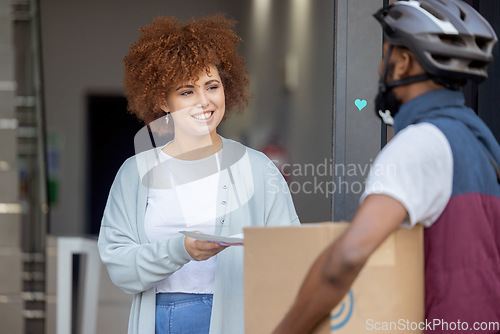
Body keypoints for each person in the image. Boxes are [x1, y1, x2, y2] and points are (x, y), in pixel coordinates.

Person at [273, 1, 500, 333]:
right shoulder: (484, 144)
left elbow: (347, 258)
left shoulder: (419, 144)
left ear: (403, 63)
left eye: (385, 56)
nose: (381, 69)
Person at [97, 15, 300, 334]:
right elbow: (120, 267)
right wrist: (182, 249)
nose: (204, 101)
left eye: (212, 86)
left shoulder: (258, 168)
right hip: (159, 320)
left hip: (237, 319)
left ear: (225, 89)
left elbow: (291, 257)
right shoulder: (135, 173)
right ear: (164, 101)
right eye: (187, 91)